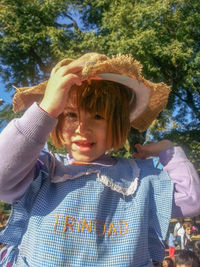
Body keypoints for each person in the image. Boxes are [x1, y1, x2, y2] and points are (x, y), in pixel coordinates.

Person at [0, 52, 200, 267]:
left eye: (98, 116)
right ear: (55, 120)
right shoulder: (43, 171)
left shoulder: (141, 179)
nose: (82, 128)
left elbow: (191, 200)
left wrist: (169, 150)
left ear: (119, 123)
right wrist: (46, 109)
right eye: (70, 115)